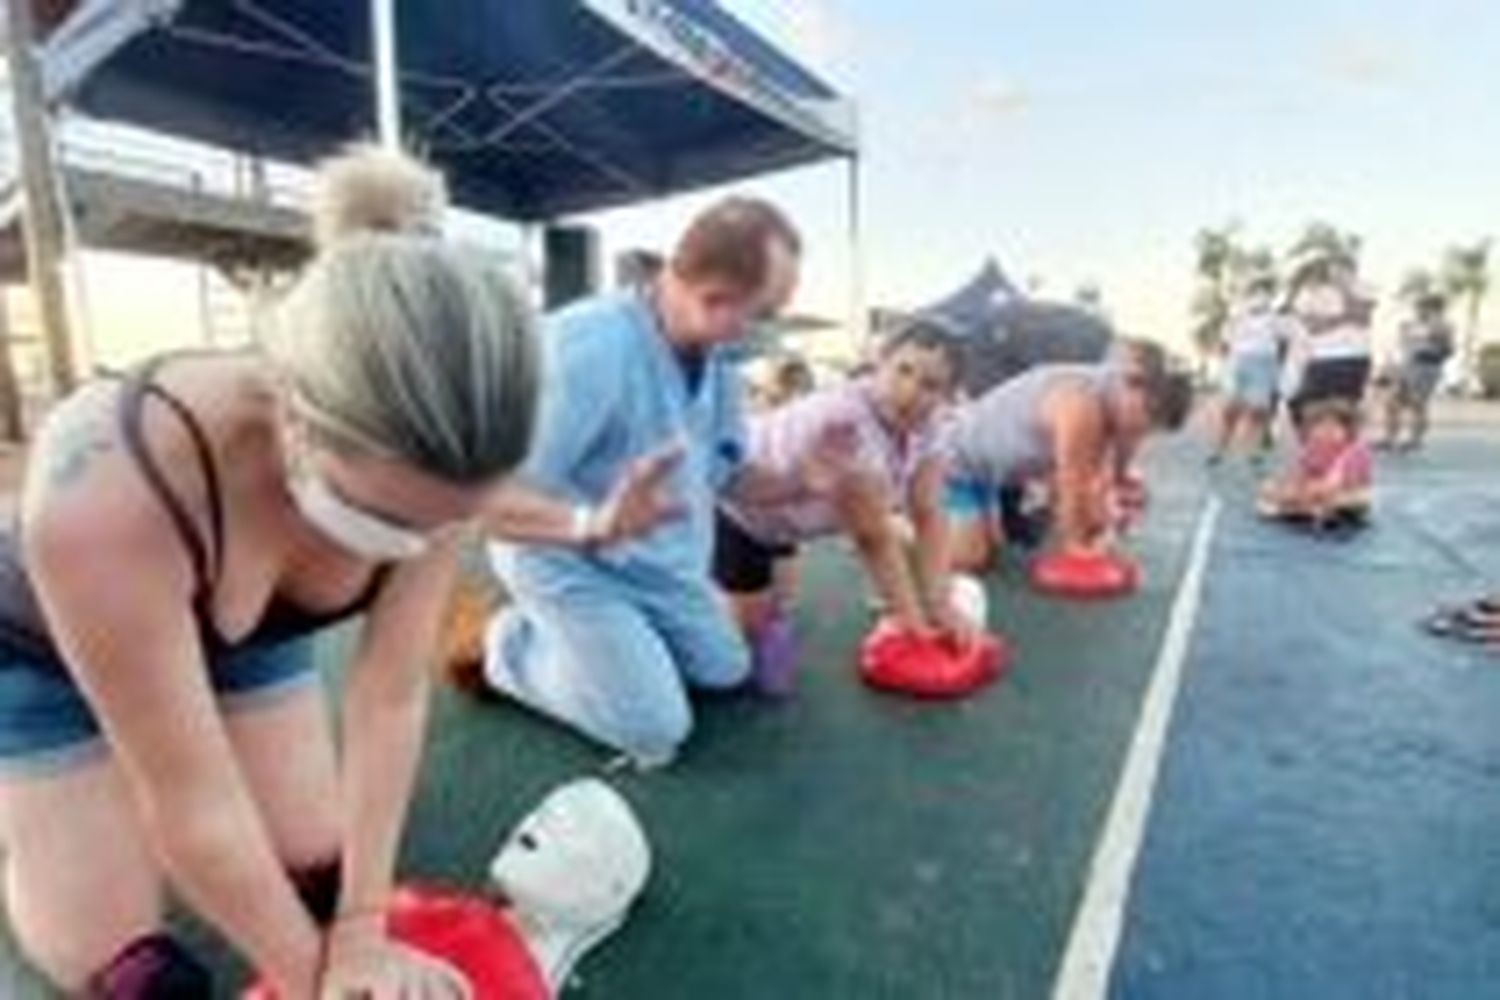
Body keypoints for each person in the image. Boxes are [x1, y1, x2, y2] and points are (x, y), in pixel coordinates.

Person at [0, 147, 672, 999]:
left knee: (321, 871)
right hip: (46, 657)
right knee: (135, 976)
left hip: (245, 637)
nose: (411, 547)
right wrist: (315, 980)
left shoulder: (441, 461)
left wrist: (356, 930)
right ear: (292, 418)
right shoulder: (102, 491)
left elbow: (388, 695)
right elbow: (193, 805)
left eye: (440, 523)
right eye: (383, 519)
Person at [479, 198, 808, 768]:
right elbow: (483, 499)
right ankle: (508, 647)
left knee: (725, 672)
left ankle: (619, 650)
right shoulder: (585, 348)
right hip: (566, 562)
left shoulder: (720, 360)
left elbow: (727, 475)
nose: (768, 331)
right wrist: (591, 525)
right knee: (655, 730)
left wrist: (804, 481)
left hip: (660, 567)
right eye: (765, 313)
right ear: (713, 297)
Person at [714, 321, 972, 687]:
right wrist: (916, 629)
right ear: (878, 363)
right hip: (735, 507)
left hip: (785, 520)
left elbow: (929, 512)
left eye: (930, 385)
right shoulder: (845, 423)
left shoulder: (933, 427)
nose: (910, 391)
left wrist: (940, 603)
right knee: (736, 649)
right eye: (903, 370)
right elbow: (872, 538)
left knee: (779, 604)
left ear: (947, 395)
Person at [945, 339, 1194, 572]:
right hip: (954, 461)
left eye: (1150, 429)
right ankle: (910, 526)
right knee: (971, 558)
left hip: (992, 477)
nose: (1140, 431)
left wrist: (1113, 504)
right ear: (1132, 385)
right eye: (1143, 418)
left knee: (995, 550)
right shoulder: (1080, 407)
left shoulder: (1123, 403)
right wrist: (1079, 547)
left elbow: (1112, 474)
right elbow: (1072, 485)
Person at [1210, 275, 1297, 464]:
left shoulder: (1275, 317)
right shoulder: (1237, 315)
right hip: (1239, 360)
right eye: (1255, 290)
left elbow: (1289, 336)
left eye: (1263, 291)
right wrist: (1223, 366)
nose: (1259, 295)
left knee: (1258, 410)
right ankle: (1219, 449)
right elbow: (1224, 342)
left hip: (1264, 362)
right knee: (1231, 409)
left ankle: (1253, 451)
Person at [1286, 254, 1375, 425]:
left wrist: (1344, 289)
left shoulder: (1363, 288)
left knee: (1347, 406)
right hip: (1321, 356)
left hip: (1354, 355)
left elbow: (1363, 317)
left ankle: (1351, 446)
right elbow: (1312, 327)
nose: (1336, 272)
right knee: (1306, 405)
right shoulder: (1309, 293)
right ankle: (1314, 445)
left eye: (1343, 268)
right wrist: (1343, 318)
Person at [1257, 399, 1372, 527]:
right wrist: (1286, 489)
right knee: (1269, 486)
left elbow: (1334, 484)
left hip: (1347, 491)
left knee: (1349, 500)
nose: (1327, 432)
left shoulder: (1353, 451)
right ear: (1311, 430)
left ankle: (1314, 508)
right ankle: (1304, 507)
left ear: (1348, 431)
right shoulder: (1313, 447)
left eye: (1334, 427)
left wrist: (1303, 492)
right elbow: (1297, 474)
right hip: (1320, 490)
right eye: (1321, 427)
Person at [1379, 292, 1454, 451]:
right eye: (1418, 307)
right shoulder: (1412, 324)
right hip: (1408, 365)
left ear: (1435, 309)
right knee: (1392, 402)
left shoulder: (1442, 325)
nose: (1419, 311)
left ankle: (1415, 440)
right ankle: (1389, 438)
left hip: (1426, 367)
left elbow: (1448, 350)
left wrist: (1433, 339)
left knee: (1417, 403)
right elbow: (1403, 344)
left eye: (1423, 307)